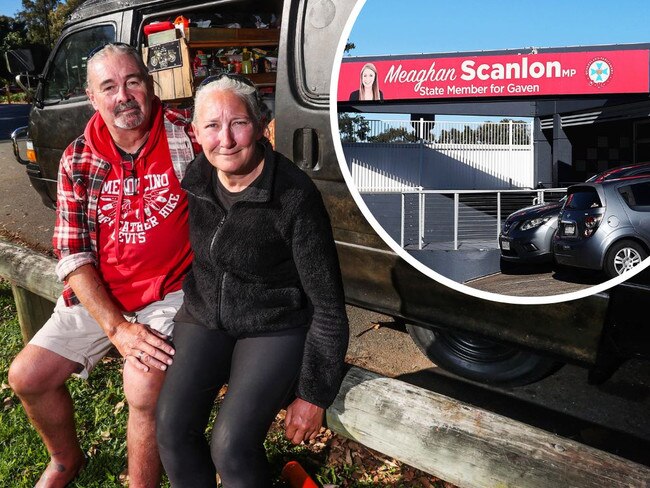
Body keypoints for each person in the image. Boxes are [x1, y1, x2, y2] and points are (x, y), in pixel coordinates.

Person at [8, 43, 200, 488]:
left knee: (142, 381)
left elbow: (238, 155)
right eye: (108, 87)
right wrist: (116, 327)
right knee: (27, 376)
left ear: (149, 87)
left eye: (132, 82)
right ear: (92, 98)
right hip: (100, 294)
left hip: (168, 293)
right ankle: (63, 461)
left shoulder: (185, 136)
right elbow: (72, 254)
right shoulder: (78, 156)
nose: (123, 96)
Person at [156, 73, 350, 488]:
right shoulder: (198, 176)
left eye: (238, 123)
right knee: (171, 429)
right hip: (205, 314)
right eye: (211, 125)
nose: (224, 139)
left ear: (261, 125)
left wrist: (315, 392)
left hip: (273, 325)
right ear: (195, 131)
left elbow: (329, 306)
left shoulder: (293, 196)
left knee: (230, 447)